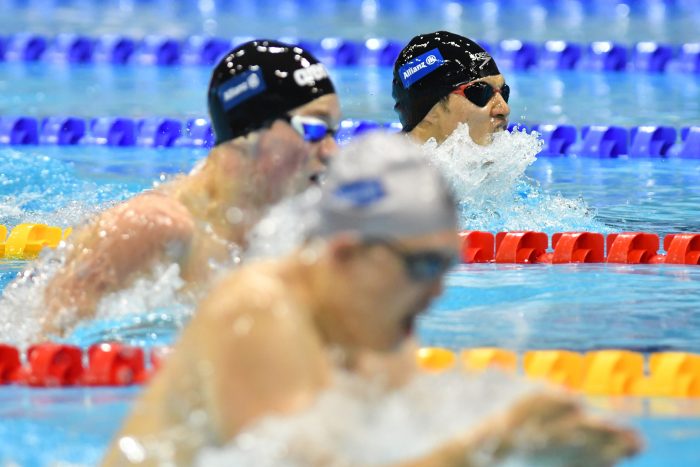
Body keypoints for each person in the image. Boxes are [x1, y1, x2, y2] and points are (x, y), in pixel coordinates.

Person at [104, 133, 639, 466]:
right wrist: (496, 443)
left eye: (445, 265)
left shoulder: (376, 330)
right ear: (345, 254)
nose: (435, 291)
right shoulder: (258, 309)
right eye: (421, 266)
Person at [39, 39, 341, 336]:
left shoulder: (293, 228)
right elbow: (43, 346)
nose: (331, 151)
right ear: (249, 131)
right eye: (313, 129)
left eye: (333, 133)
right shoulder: (155, 228)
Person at [392, 30, 510, 146]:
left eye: (504, 92)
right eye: (482, 92)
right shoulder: (382, 162)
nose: (504, 109)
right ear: (431, 110)